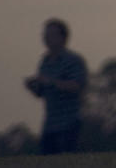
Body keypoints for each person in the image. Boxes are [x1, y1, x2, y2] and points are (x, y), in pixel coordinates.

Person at [24, 19, 88, 154]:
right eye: (45, 35)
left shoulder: (73, 60)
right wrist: (33, 87)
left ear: (63, 38)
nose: (46, 38)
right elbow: (41, 93)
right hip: (50, 124)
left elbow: (77, 86)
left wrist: (51, 82)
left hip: (69, 123)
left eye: (51, 35)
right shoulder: (44, 61)